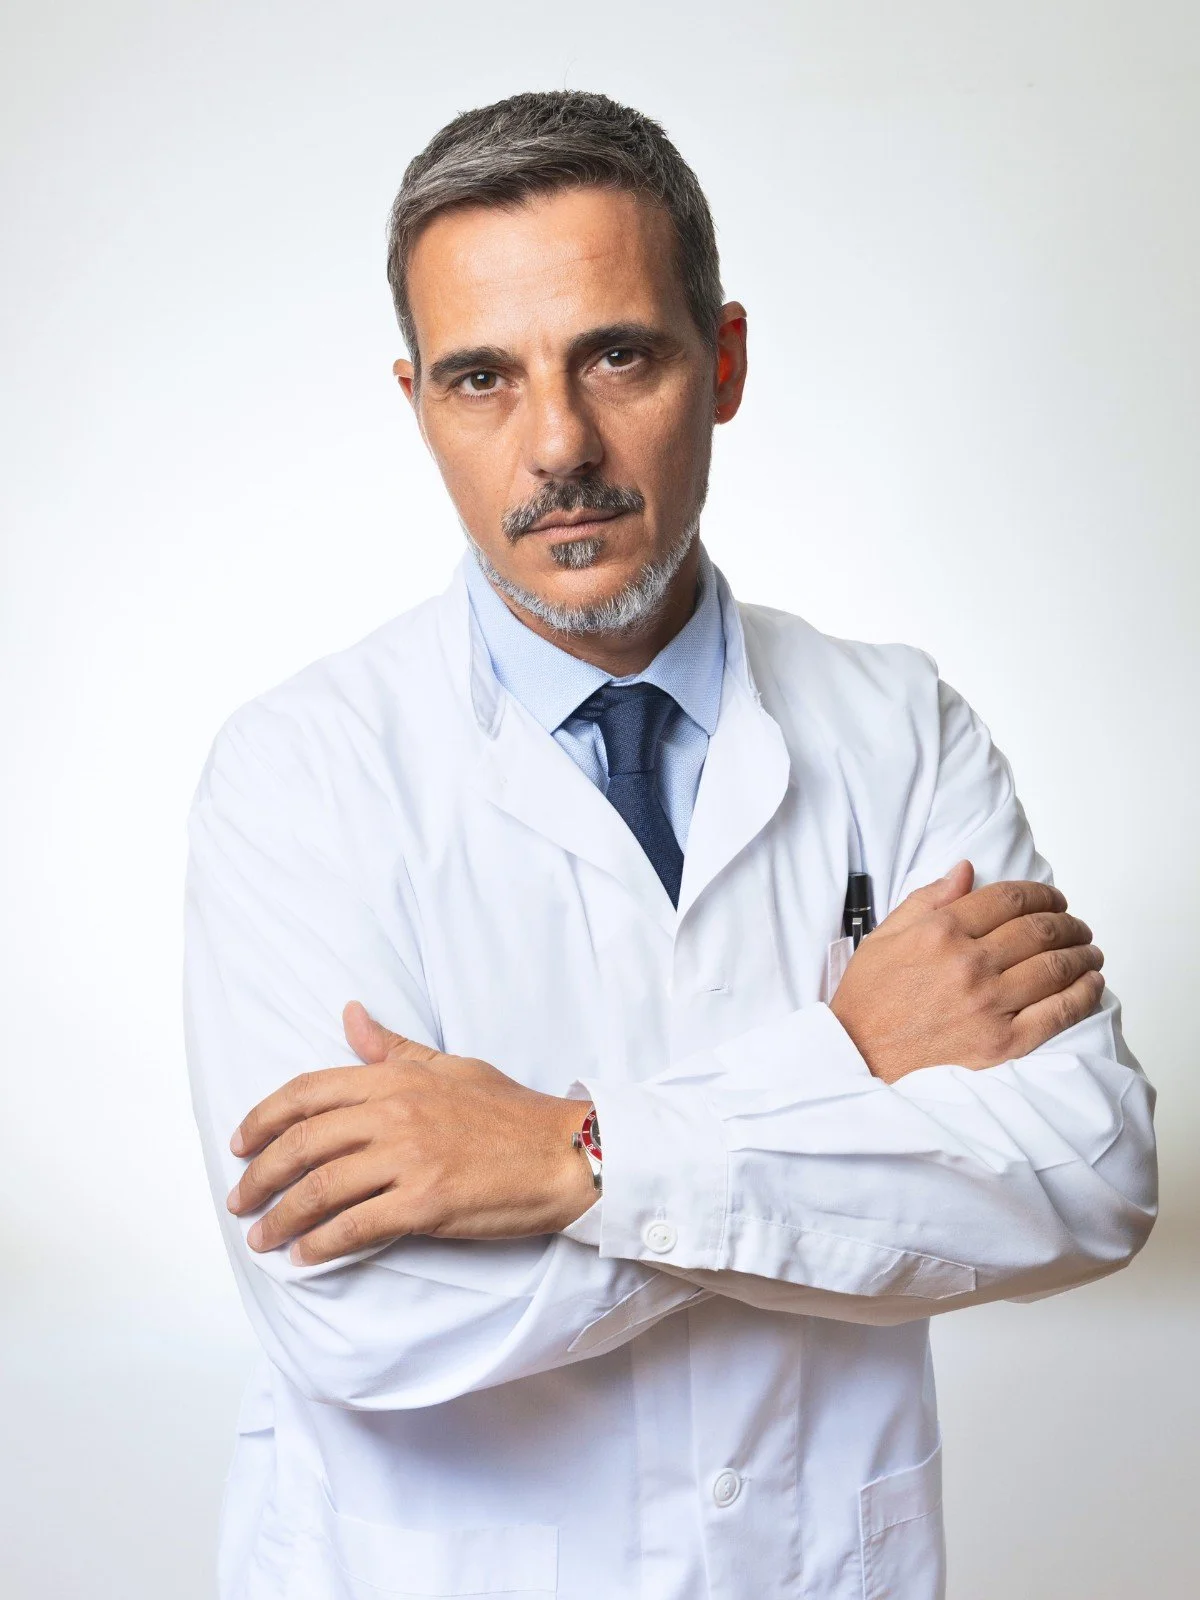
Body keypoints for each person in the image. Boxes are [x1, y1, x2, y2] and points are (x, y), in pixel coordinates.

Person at [183, 89, 1158, 1600]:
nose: (557, 443)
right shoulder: (297, 776)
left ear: (727, 361)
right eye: (483, 379)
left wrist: (558, 1159)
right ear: (417, 402)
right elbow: (360, 1313)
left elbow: (1085, 1172)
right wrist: (841, 1066)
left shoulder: (899, 728)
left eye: (616, 355)